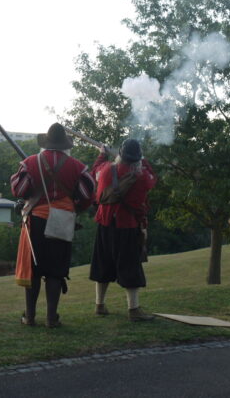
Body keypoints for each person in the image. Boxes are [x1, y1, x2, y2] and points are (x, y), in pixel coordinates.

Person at [10, 123, 95, 328]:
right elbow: (87, 194)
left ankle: (30, 317)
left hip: (36, 220)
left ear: (46, 143)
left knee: (35, 270)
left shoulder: (30, 162)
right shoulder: (77, 166)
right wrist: (75, 207)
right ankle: (51, 318)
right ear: (65, 145)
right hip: (63, 220)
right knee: (55, 272)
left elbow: (19, 190)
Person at [90, 139, 157, 322]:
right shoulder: (142, 176)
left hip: (105, 224)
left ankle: (99, 305)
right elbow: (153, 178)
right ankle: (133, 309)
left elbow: (95, 170)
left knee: (103, 265)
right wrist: (144, 160)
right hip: (126, 225)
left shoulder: (105, 170)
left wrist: (103, 153)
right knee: (130, 267)